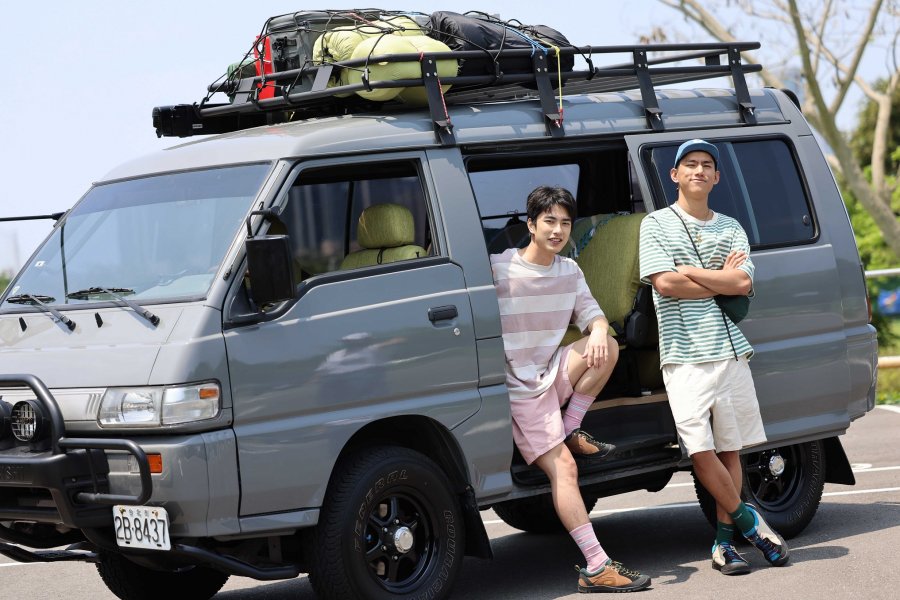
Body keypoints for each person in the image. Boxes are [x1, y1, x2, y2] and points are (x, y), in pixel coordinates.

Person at [638, 139, 790, 575]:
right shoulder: (655, 224)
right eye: (690, 164)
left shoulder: (731, 227)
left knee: (729, 451)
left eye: (707, 165)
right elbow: (664, 284)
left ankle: (725, 546)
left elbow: (741, 284)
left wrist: (691, 271)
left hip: (729, 350)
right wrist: (717, 278)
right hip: (683, 354)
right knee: (700, 451)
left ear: (717, 177)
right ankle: (752, 525)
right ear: (675, 175)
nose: (699, 170)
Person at [491, 186, 651, 593]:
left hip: (553, 371)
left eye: (565, 222)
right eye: (549, 221)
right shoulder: (499, 268)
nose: (558, 230)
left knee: (607, 345)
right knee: (565, 469)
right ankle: (597, 566)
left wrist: (596, 329)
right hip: (520, 388)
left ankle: (570, 427)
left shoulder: (570, 271)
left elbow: (594, 315)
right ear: (530, 225)